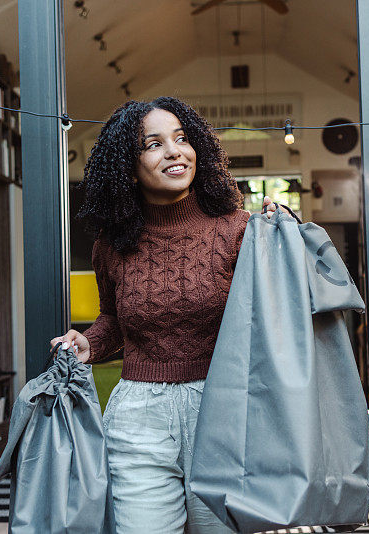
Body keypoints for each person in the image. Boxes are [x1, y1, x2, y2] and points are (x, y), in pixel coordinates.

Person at [50, 96, 282, 533]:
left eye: (181, 139)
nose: (174, 151)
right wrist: (89, 341)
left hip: (225, 413)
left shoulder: (240, 231)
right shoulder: (113, 244)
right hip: (139, 416)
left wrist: (285, 237)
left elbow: (276, 321)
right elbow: (114, 323)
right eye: (153, 144)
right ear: (127, 166)